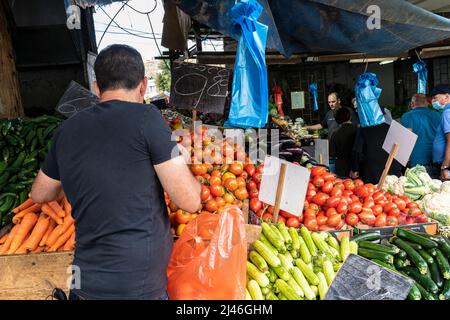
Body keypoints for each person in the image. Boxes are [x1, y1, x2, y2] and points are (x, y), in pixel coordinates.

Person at [30, 44, 202, 300]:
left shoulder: (67, 130)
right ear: (143, 85)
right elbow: (190, 200)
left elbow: (40, 194)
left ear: (96, 86)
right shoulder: (147, 118)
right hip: (136, 288)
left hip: (82, 282)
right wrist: (182, 159)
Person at [401, 93, 441, 178]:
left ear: (412, 104)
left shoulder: (407, 116)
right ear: (427, 103)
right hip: (437, 161)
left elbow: (406, 140)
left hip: (417, 162)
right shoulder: (438, 115)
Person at [330, 107, 357, 177]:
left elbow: (332, 153)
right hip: (356, 167)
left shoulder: (335, 134)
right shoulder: (358, 130)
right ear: (350, 116)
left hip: (341, 168)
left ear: (337, 120)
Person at [431, 84, 450, 181]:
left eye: (435, 98)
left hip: (446, 163)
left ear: (446, 97)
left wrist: (445, 167)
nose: (432, 101)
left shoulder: (447, 112)